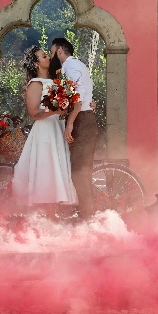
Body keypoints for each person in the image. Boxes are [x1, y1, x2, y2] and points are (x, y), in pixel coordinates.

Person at [11, 46, 78, 217]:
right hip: (45, 132)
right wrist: (54, 111)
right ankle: (47, 219)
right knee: (47, 171)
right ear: (36, 63)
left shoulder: (55, 82)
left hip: (56, 129)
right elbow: (33, 113)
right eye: (43, 56)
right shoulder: (35, 84)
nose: (48, 58)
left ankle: (51, 217)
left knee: (56, 171)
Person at [50, 37, 99, 220]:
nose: (51, 54)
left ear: (60, 51)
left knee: (79, 172)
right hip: (86, 118)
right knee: (83, 172)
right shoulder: (79, 66)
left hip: (82, 121)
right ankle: (89, 214)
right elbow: (86, 94)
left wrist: (70, 123)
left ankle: (88, 217)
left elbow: (78, 97)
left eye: (52, 50)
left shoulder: (70, 67)